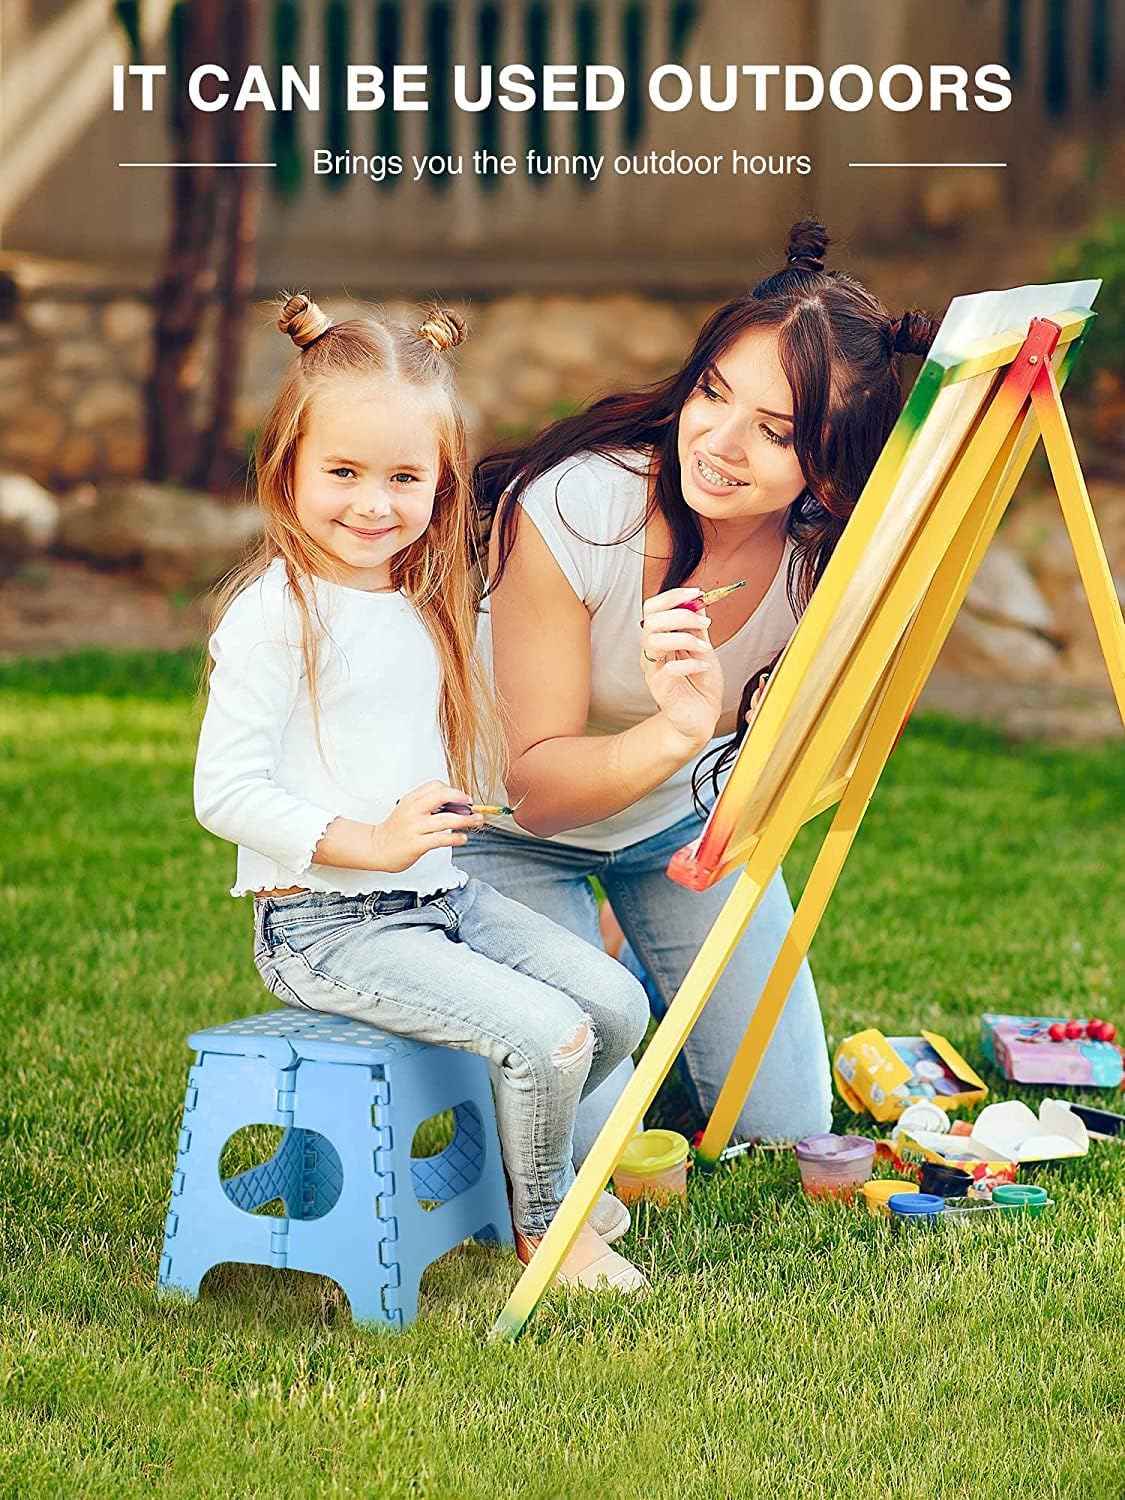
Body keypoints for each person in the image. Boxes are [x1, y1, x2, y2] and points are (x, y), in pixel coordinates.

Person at [193, 293, 650, 1292]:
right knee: (551, 1033)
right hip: (326, 928)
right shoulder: (276, 618)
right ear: (287, 471)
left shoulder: (415, 599)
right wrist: (369, 838)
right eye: (343, 473)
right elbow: (224, 794)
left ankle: (525, 1172)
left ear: (442, 486)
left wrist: (456, 809)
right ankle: (547, 1230)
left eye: (404, 477)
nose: (373, 503)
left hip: (441, 901)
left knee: (616, 1005)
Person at [466, 219, 940, 1160]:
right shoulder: (574, 505)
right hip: (503, 833)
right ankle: (593, 981)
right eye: (712, 394)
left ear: (830, 467)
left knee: (787, 1129)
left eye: (773, 432)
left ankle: (645, 968)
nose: (719, 443)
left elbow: (837, 744)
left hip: (678, 832)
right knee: (580, 1155)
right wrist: (679, 732)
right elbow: (539, 791)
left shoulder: (825, 557)